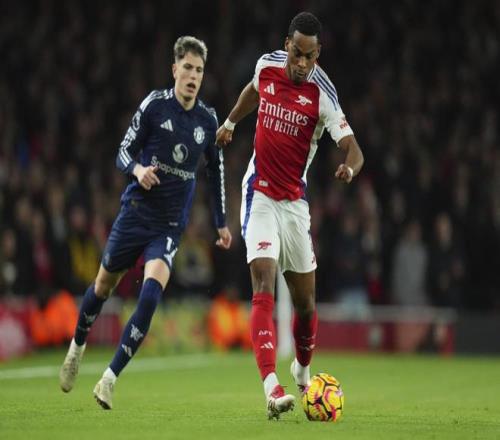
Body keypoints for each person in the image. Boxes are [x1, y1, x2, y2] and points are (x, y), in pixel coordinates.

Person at [59, 36, 231, 410]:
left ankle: (109, 379)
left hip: (169, 226)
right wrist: (138, 170)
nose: (193, 76)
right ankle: (77, 347)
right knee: (102, 286)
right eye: (187, 68)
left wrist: (221, 222)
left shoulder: (207, 120)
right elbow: (123, 151)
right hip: (136, 214)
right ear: (174, 69)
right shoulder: (155, 106)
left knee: (150, 296)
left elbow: (215, 169)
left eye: (199, 71)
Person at [216, 12, 364, 419]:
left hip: (295, 204)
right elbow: (253, 91)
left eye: (309, 57)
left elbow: (355, 149)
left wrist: (349, 168)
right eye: (296, 53)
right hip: (259, 194)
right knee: (263, 282)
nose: (301, 63)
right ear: (287, 46)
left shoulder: (322, 94)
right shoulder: (266, 66)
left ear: (318, 54)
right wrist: (230, 122)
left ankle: (301, 369)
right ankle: (272, 387)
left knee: (306, 305)